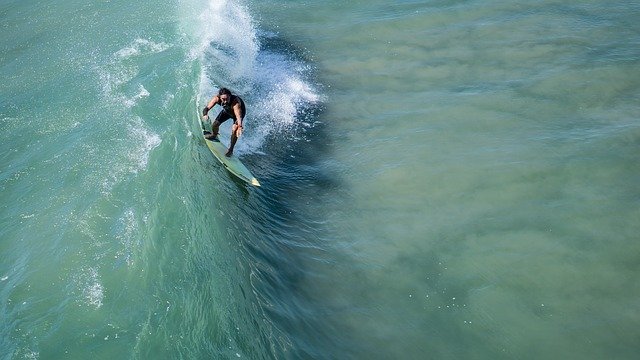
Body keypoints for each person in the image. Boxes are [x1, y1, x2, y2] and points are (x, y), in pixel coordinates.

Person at [202, 87, 246, 157]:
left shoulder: (235, 102)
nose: (225, 101)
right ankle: (214, 135)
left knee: (234, 129)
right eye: (223, 99)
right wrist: (205, 114)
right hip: (227, 111)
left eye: (227, 99)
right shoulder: (217, 98)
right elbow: (206, 108)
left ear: (230, 96)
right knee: (215, 124)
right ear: (220, 97)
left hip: (238, 114)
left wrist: (240, 126)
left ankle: (231, 149)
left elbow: (238, 116)